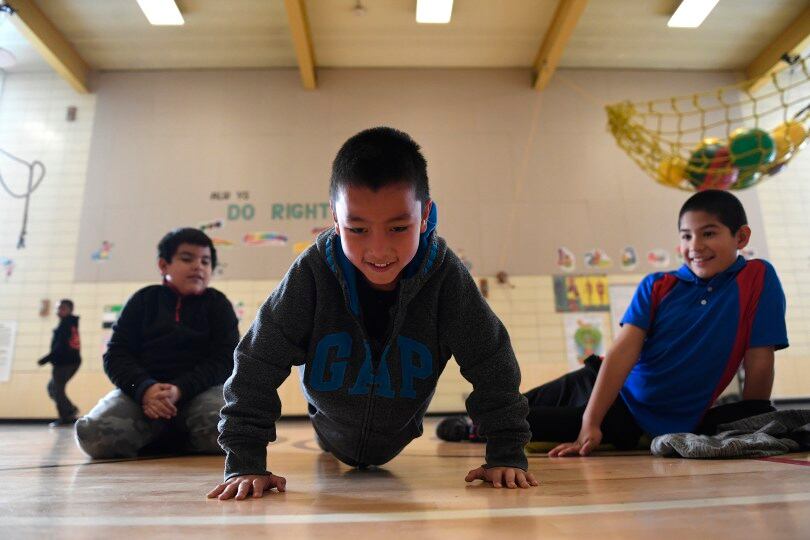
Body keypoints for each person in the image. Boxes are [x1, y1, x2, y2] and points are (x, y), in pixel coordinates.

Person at [208, 127, 536, 501]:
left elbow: (491, 360)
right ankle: (324, 437)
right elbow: (256, 361)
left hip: (399, 431)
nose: (379, 249)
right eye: (357, 229)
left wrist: (506, 454)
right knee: (323, 430)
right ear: (334, 219)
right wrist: (245, 461)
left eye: (398, 227)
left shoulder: (446, 276)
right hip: (329, 423)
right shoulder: (312, 273)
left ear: (425, 215)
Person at [438, 189, 788, 456]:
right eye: (685, 235)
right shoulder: (659, 285)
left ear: (741, 237)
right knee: (501, 405)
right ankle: (472, 422)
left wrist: (751, 422)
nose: (695, 245)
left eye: (709, 233)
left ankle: (473, 428)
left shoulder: (757, 278)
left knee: (505, 421)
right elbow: (621, 354)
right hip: (600, 378)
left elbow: (759, 358)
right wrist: (590, 418)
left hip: (637, 418)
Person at [75, 228, 239, 458]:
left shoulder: (218, 305)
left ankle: (165, 436)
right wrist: (145, 389)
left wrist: (179, 390)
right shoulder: (143, 300)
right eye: (187, 258)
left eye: (205, 261)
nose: (198, 266)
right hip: (141, 396)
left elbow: (225, 360)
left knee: (233, 431)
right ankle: (167, 434)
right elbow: (116, 355)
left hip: (199, 393)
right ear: (164, 265)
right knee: (94, 436)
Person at [38, 299, 82, 427]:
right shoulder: (69, 323)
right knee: (53, 388)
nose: (58, 311)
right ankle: (69, 411)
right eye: (57, 308)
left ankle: (66, 416)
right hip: (69, 362)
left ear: (69, 310)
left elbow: (60, 347)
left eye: (62, 308)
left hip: (65, 363)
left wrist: (46, 359)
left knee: (57, 390)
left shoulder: (66, 325)